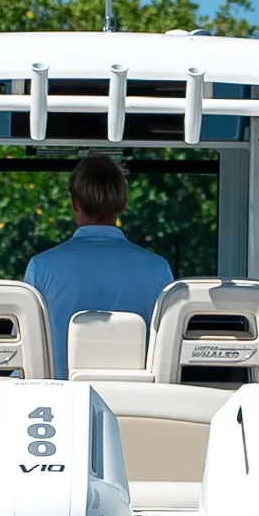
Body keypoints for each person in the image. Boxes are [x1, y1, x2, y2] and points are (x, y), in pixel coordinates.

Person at [24, 153, 175, 377]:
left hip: (61, 406)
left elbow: (25, 358)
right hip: (136, 408)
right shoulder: (157, 270)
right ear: (122, 204)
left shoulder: (41, 268)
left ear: (74, 203)